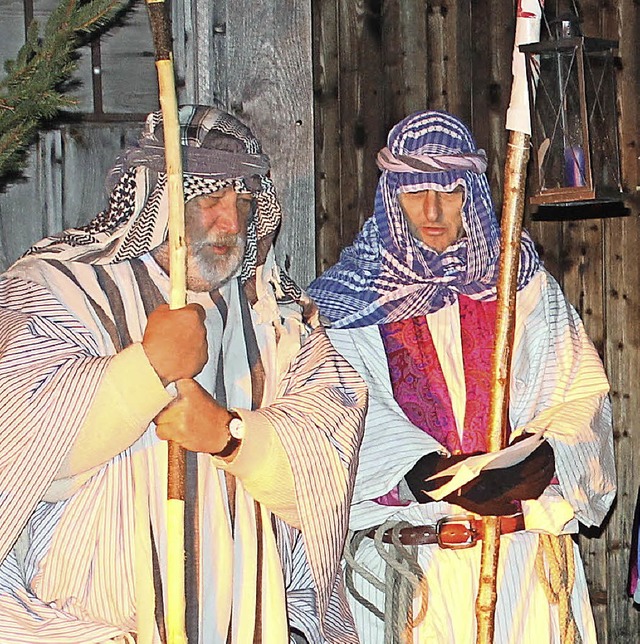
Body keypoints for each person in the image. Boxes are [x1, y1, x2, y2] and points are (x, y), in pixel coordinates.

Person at [0, 105, 367, 643]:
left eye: (244, 201)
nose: (232, 224)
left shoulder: (279, 313)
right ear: (159, 199)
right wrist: (145, 373)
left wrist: (230, 436)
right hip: (91, 626)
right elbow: (20, 444)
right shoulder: (61, 287)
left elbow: (326, 467)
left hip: (249, 622)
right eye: (209, 199)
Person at [308, 110, 616, 643]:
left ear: (470, 192)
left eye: (448, 192)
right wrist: (421, 469)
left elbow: (577, 395)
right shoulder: (347, 304)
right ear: (391, 195)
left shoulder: (521, 289)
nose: (432, 211)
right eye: (414, 192)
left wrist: (542, 460)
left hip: (521, 564)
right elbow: (339, 412)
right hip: (409, 573)